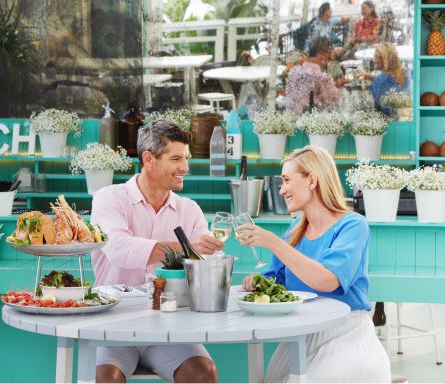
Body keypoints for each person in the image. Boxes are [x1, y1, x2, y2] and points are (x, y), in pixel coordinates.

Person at [236, 146, 391, 383]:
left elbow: (327, 280)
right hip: (301, 331)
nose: (282, 189)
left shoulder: (352, 226)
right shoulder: (296, 230)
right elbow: (278, 280)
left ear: (312, 180)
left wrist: (275, 244)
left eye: (287, 180)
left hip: (344, 332)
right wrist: (258, 283)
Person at [90, 119, 223, 383]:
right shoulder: (109, 198)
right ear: (149, 159)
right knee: (107, 379)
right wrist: (185, 249)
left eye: (186, 158)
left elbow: (206, 267)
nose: (185, 167)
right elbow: (118, 249)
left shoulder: (189, 209)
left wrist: (210, 261)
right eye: (176, 159)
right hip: (114, 323)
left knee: (203, 374)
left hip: (170, 325)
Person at [285, 37, 348, 116]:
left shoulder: (293, 71)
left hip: (290, 118)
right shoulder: (321, 76)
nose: (330, 57)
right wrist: (338, 86)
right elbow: (334, 99)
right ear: (322, 53)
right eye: (329, 52)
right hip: (308, 121)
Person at [360, 42, 409, 116]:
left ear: (385, 60)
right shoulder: (405, 74)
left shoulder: (380, 80)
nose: (374, 60)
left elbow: (377, 104)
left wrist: (374, 81)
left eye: (376, 57)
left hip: (386, 122)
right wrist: (373, 78)